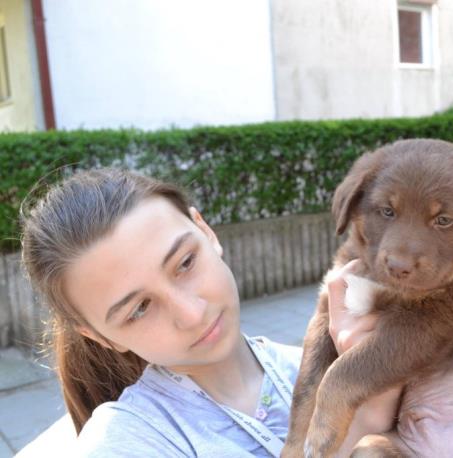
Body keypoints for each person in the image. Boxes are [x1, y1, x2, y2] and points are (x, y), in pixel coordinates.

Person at [20, 168, 396, 457]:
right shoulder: (125, 443)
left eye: (185, 263)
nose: (191, 313)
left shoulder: (313, 364)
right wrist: (363, 418)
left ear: (206, 231)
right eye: (139, 309)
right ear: (99, 336)